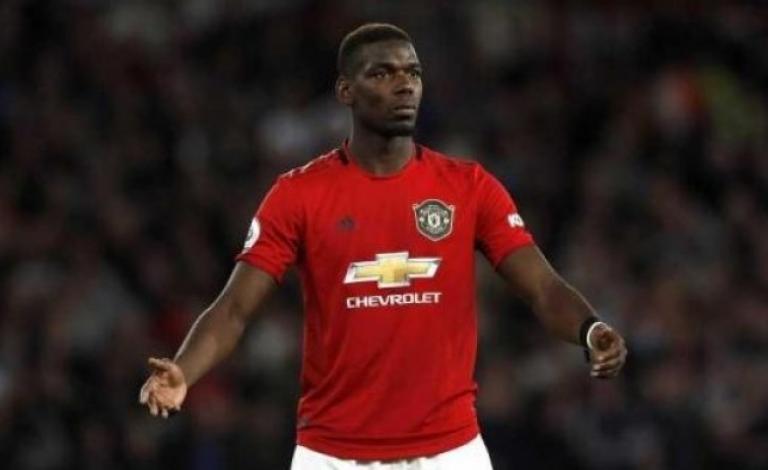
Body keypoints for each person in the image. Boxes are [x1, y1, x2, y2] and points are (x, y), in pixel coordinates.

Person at [139, 23, 628, 469]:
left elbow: (542, 287)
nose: (404, 84)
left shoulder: (469, 187)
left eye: (412, 73)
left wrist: (591, 329)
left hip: (450, 452)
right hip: (333, 455)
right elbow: (233, 310)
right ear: (345, 91)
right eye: (382, 73)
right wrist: (184, 370)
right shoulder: (298, 195)